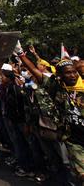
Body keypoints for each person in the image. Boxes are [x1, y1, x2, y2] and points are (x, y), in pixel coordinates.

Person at [16, 42, 83, 184]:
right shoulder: (56, 87)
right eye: (68, 73)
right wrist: (21, 54)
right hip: (74, 140)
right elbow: (34, 71)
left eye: (74, 72)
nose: (72, 75)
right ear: (59, 75)